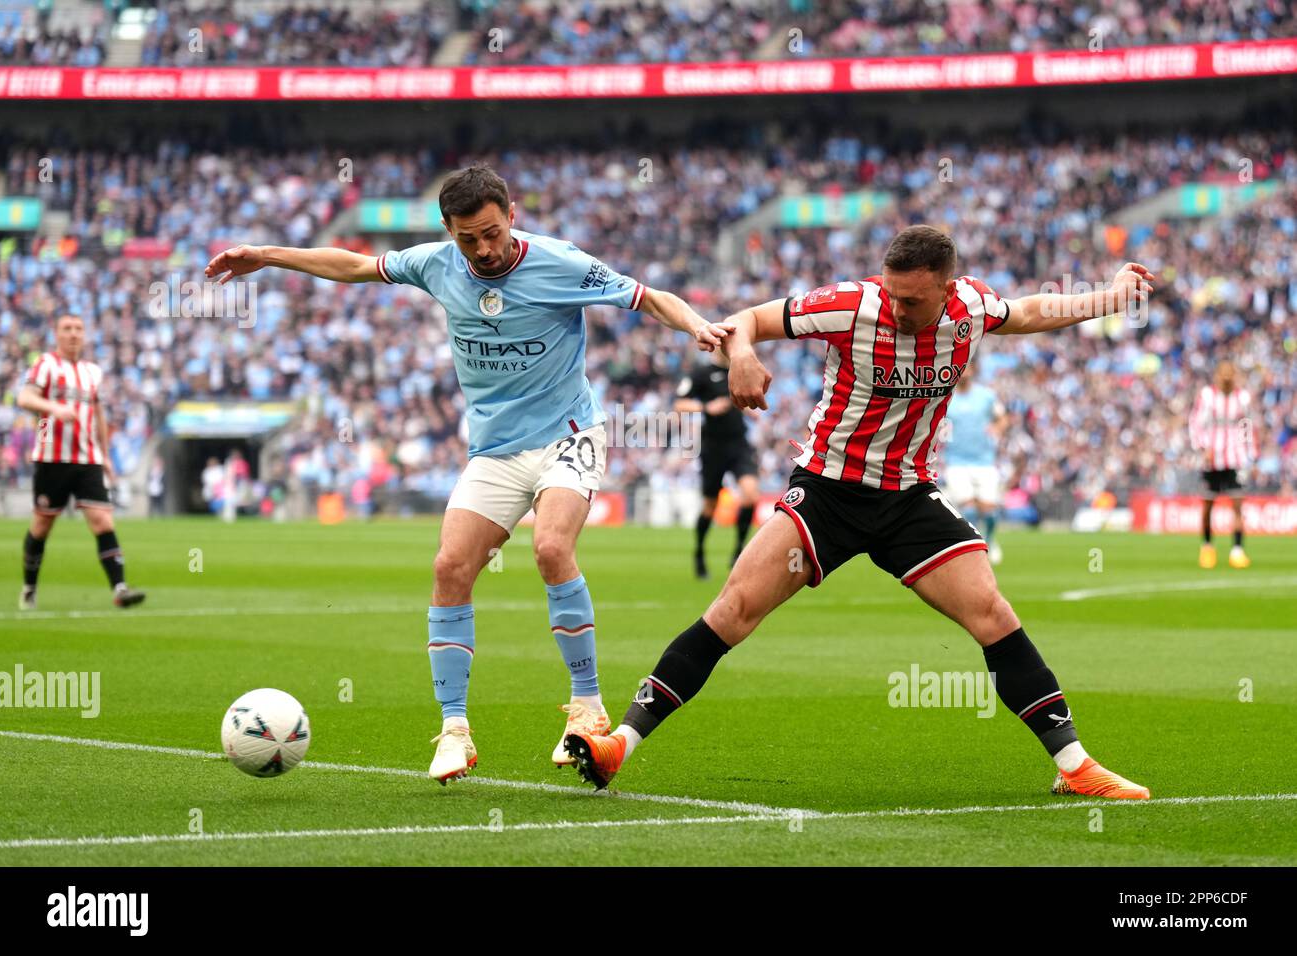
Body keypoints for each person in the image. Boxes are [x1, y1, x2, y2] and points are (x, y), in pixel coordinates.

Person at [565, 225, 1155, 801]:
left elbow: (1027, 312)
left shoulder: (972, 305)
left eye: (912, 299)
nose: (897, 308)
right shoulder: (852, 305)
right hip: (828, 491)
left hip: (906, 497)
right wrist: (740, 354)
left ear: (948, 291)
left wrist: (1108, 296)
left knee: (993, 614)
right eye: (892, 294)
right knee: (734, 609)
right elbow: (749, 319)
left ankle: (1074, 766)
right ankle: (621, 742)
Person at [206, 165, 730, 784]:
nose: (482, 249)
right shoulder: (435, 264)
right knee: (450, 567)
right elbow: (352, 265)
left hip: (569, 436)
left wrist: (698, 324)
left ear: (510, 214)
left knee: (551, 546)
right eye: (467, 239)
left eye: (491, 233)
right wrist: (267, 256)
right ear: (448, 232)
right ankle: (455, 729)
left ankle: (587, 708)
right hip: (495, 450)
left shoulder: (560, 263)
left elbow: (648, 297)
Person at [16, 314, 146, 610]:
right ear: (57, 334)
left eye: (78, 329)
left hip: (88, 458)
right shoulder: (46, 365)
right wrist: (53, 408)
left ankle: (120, 588)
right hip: (52, 459)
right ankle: (29, 588)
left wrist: (106, 454)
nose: (73, 334)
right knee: (42, 524)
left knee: (102, 520)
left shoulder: (92, 372)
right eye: (67, 329)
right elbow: (25, 398)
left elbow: (98, 414)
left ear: (84, 335)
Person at [674, 357, 759, 578]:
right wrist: (706, 407)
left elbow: (744, 398)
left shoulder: (740, 369)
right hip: (713, 446)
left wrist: (748, 408)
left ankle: (738, 552)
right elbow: (679, 404)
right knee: (710, 505)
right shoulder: (701, 372)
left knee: (750, 494)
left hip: (739, 443)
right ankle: (699, 552)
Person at [1190, 361, 1254, 569]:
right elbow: (1195, 423)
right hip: (1211, 459)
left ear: (1234, 375)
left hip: (1235, 459)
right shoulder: (1207, 396)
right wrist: (1202, 447)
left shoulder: (1243, 398)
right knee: (1208, 506)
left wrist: (1250, 455)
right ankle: (1207, 547)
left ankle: (1237, 550)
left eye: (1230, 373)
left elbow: (1247, 426)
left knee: (1238, 505)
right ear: (1217, 375)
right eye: (1223, 373)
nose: (1226, 377)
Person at [941, 373, 1008, 564]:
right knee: (969, 510)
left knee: (990, 512)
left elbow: (1002, 418)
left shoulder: (986, 396)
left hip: (984, 461)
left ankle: (991, 540)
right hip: (956, 462)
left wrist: (997, 429)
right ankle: (975, 546)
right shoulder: (947, 395)